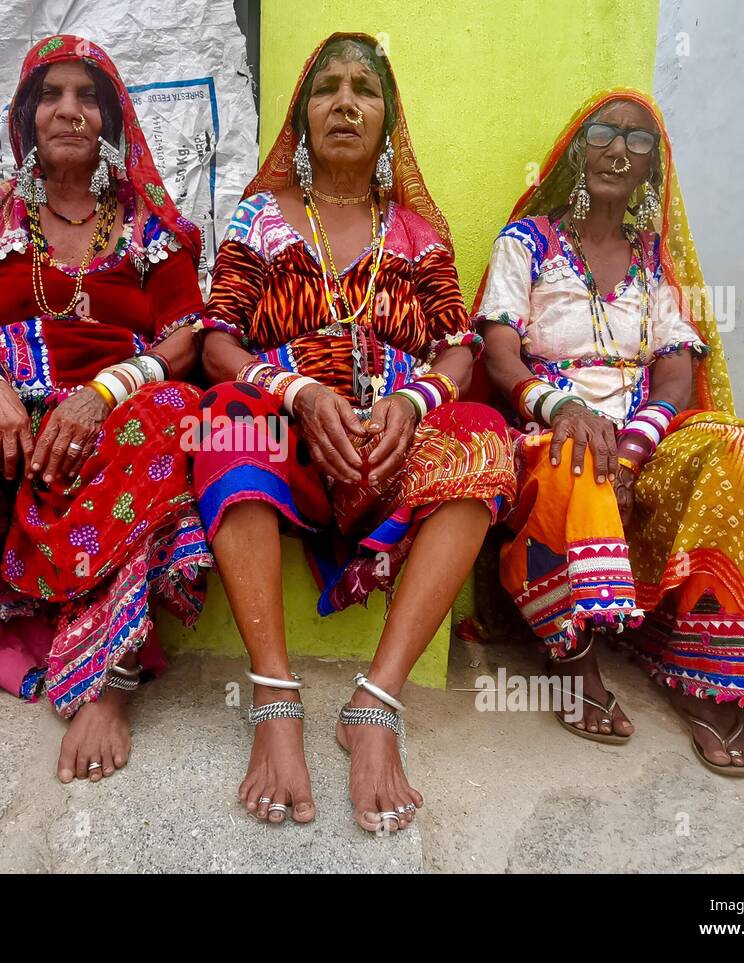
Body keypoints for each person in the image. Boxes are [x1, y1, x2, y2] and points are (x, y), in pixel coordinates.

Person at [0, 35, 216, 783]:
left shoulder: (148, 221)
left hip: (108, 436)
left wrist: (104, 393)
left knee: (174, 410)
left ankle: (114, 675)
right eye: (50, 95)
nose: (68, 110)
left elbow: (189, 335)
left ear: (112, 121)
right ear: (24, 117)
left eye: (87, 96)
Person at [196, 33, 516, 832]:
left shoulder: (417, 232)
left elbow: (458, 345)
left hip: (391, 450)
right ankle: (274, 699)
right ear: (302, 119)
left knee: (481, 435)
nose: (345, 102)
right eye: (326, 88)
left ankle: (375, 703)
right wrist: (297, 392)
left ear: (387, 120)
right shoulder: (261, 219)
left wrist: (415, 401)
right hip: (289, 445)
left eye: (364, 90)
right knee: (225, 418)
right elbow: (217, 339)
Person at [474, 89, 744, 773]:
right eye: (605, 133)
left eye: (638, 140)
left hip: (646, 433)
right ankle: (573, 655)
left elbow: (675, 375)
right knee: (576, 457)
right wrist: (566, 412)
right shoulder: (525, 243)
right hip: (550, 424)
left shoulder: (655, 264)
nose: (619, 148)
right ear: (576, 152)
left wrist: (638, 445)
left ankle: (711, 670)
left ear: (652, 167)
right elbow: (499, 355)